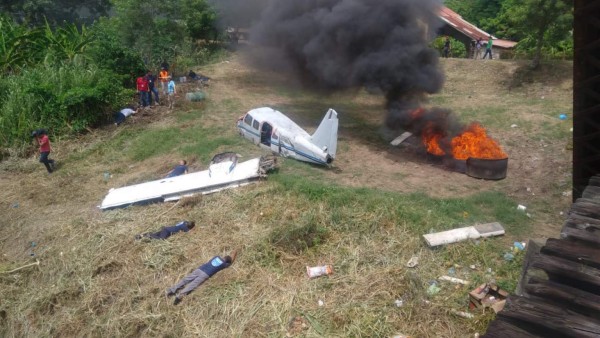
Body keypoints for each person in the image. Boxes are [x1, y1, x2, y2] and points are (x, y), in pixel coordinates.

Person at [166, 250, 238, 305]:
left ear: (224, 257)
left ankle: (172, 290)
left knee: (186, 279)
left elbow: (224, 259)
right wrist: (235, 254)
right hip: (206, 274)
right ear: (227, 262)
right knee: (192, 285)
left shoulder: (216, 257)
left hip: (200, 269)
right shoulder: (223, 265)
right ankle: (179, 297)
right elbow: (231, 263)